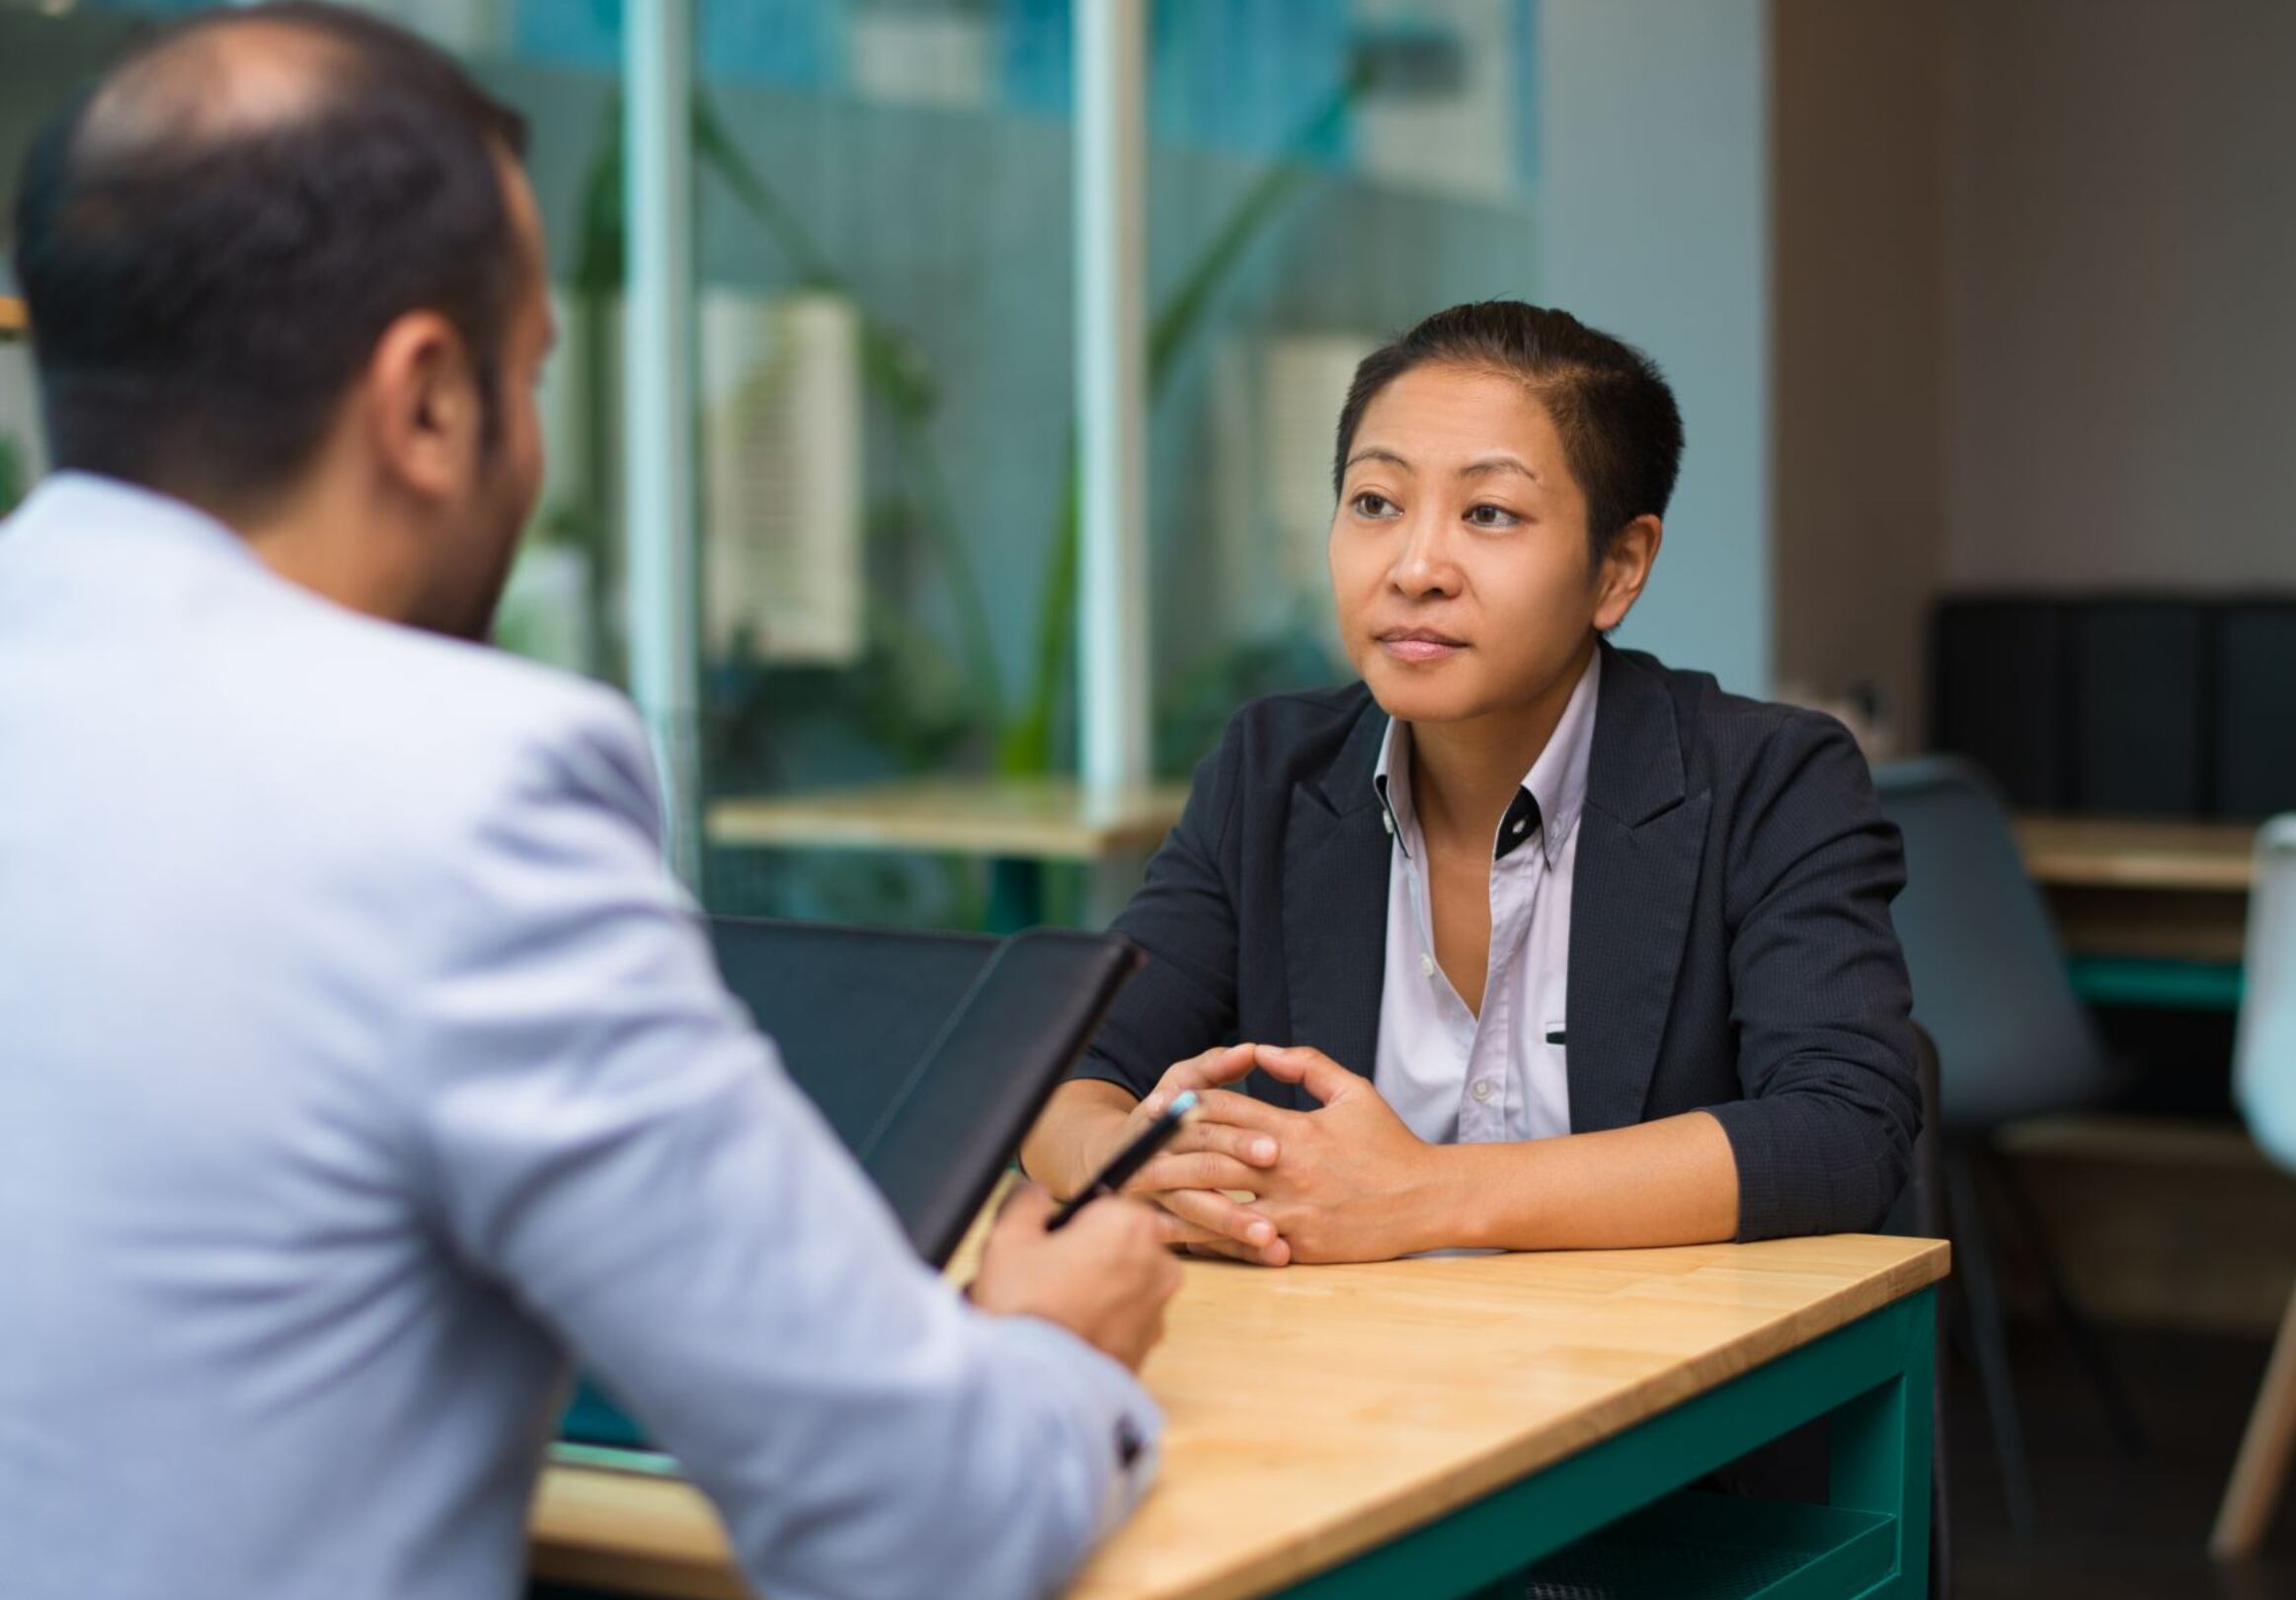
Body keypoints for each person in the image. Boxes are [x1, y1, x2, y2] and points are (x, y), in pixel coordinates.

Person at [0, 9, 1175, 1599]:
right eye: (535, 371)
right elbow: (920, 1516)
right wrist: (1047, 1353)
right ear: (425, 400)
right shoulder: (452, 790)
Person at [1022, 302, 1919, 1265]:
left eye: (1489, 513)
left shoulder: (1768, 780)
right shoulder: (1271, 770)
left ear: (1618, 568)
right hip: (1349, 1380)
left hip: (1653, 1375)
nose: (1415, 567)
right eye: (1375, 504)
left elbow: (1844, 1129)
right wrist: (1127, 1164)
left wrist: (1423, 1197)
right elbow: (1060, 1072)